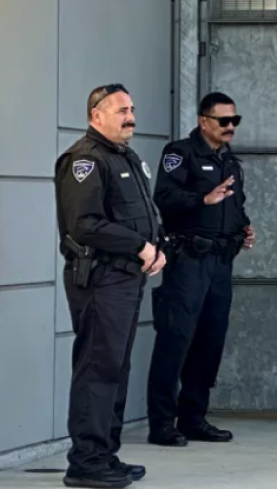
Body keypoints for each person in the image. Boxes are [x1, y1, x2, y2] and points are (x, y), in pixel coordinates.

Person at [55, 84, 164, 489]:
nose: (130, 116)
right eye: (121, 109)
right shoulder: (85, 160)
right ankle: (85, 461)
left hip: (126, 278)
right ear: (95, 115)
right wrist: (140, 246)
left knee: (115, 368)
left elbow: (142, 215)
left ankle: (104, 455)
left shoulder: (125, 157)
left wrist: (157, 249)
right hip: (100, 280)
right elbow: (84, 223)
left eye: (132, 108)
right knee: (98, 368)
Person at [146, 92, 255, 447]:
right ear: (203, 121)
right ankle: (162, 423)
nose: (230, 127)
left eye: (234, 121)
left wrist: (244, 229)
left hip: (221, 263)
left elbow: (234, 206)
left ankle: (194, 418)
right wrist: (202, 199)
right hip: (188, 261)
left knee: (210, 342)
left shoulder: (230, 162)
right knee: (175, 341)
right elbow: (164, 198)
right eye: (223, 120)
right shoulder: (180, 154)